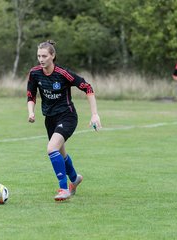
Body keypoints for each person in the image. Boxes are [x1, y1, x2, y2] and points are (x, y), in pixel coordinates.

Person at [27, 40, 102, 201]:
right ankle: (75, 179)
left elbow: (87, 88)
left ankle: (63, 189)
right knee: (61, 153)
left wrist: (94, 114)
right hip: (50, 119)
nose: (41, 59)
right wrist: (31, 112)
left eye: (44, 56)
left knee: (51, 148)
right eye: (39, 56)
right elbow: (31, 95)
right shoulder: (34, 73)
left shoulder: (63, 73)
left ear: (52, 56)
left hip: (67, 116)